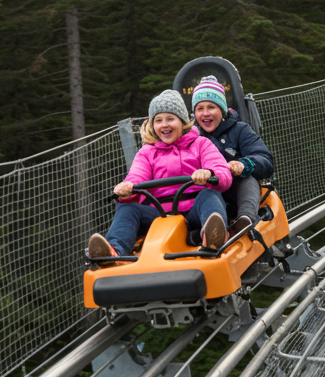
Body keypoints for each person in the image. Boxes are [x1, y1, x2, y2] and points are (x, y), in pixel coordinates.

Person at [87, 89, 232, 260]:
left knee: (209, 194)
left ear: (182, 121)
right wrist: (127, 189)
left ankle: (213, 237)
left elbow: (222, 171)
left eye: (170, 119)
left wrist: (208, 173)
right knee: (128, 208)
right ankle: (114, 251)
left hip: (193, 211)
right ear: (152, 125)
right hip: (159, 215)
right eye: (158, 120)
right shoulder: (147, 152)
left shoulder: (200, 144)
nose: (164, 125)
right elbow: (137, 176)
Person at [190, 75, 275, 235]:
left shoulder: (240, 130)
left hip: (234, 193)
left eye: (211, 107)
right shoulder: (191, 137)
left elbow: (266, 161)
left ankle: (246, 219)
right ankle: (204, 230)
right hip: (206, 196)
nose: (205, 113)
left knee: (247, 178)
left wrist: (243, 165)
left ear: (221, 110)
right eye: (200, 109)